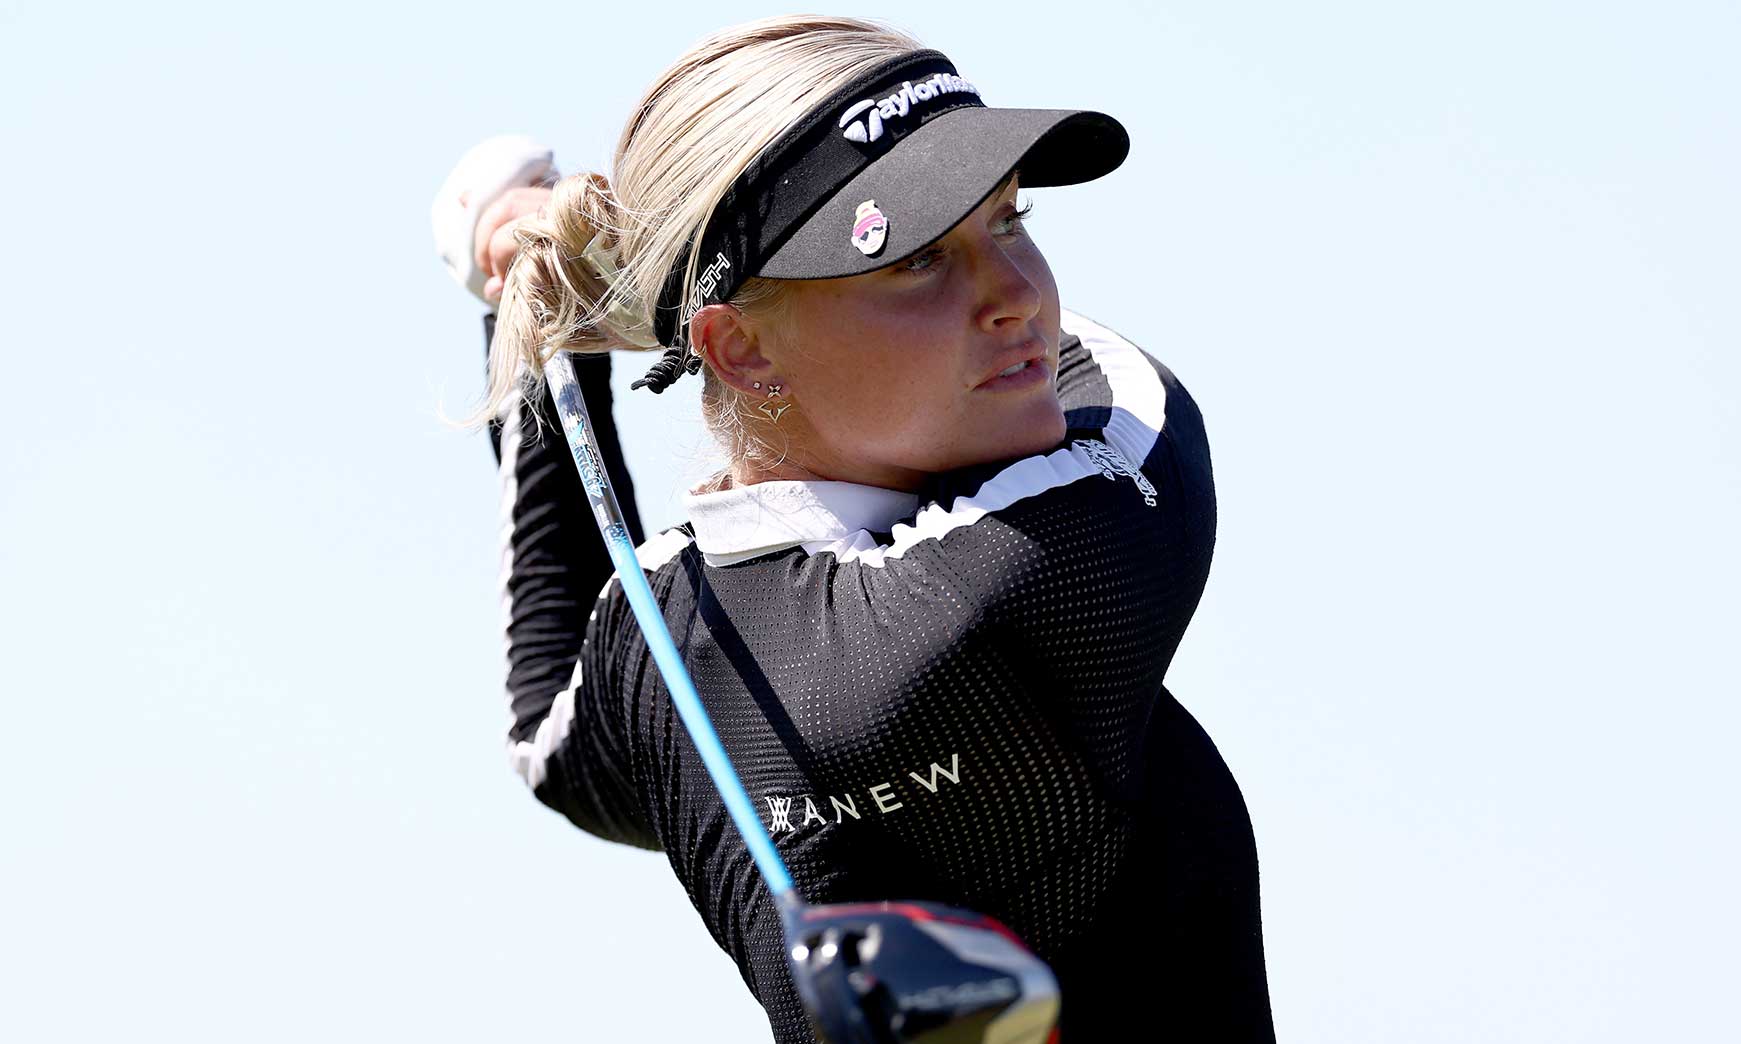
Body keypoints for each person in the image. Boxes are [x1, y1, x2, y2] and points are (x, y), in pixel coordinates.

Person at [437, 15, 1275, 1042]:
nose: (1017, 296)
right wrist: (627, 293)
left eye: (1010, 217)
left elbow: (546, 732)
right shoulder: (1040, 571)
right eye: (918, 258)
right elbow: (1128, 386)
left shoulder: (656, 658)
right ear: (740, 351)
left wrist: (543, 321)